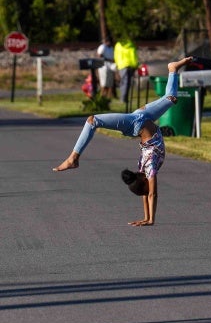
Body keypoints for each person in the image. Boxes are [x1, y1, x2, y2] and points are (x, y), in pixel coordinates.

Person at [54, 56, 193, 227]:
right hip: (143, 118)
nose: (151, 187)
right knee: (171, 96)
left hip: (135, 123)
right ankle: (172, 69)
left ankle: (73, 158)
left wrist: (151, 220)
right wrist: (147, 218)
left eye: (147, 186)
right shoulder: (145, 169)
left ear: (143, 180)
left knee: (92, 120)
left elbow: (151, 195)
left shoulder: (148, 169)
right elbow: (146, 194)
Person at [114, 38, 139, 109]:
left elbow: (116, 56)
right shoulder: (131, 44)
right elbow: (134, 55)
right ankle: (124, 98)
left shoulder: (118, 45)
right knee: (127, 83)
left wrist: (117, 64)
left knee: (124, 82)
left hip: (122, 65)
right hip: (131, 65)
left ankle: (123, 98)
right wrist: (135, 64)